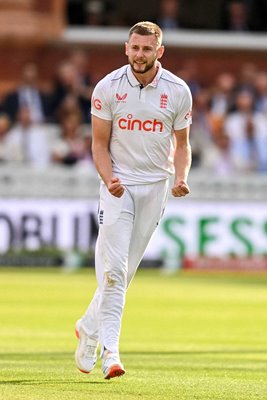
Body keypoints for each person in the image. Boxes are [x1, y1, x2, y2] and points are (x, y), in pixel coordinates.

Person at [75, 21, 192, 380]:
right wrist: (108, 177)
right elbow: (98, 143)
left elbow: (183, 144)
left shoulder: (177, 90)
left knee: (124, 274)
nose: (140, 54)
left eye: (147, 49)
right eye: (135, 48)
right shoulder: (107, 87)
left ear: (160, 51)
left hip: (156, 187)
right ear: (126, 48)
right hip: (118, 187)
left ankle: (87, 328)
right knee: (113, 273)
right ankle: (111, 352)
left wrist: (182, 177)